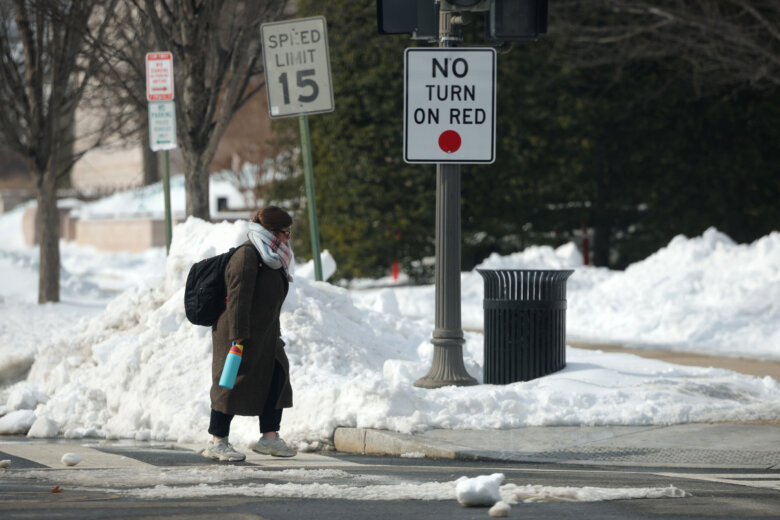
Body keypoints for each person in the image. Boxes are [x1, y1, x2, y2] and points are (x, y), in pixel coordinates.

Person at [203, 206, 296, 461]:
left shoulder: (273, 256)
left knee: (276, 378)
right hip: (238, 332)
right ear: (270, 230)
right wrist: (239, 336)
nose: (288, 238)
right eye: (284, 233)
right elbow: (238, 300)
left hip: (265, 334)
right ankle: (217, 441)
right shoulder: (248, 255)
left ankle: (269, 438)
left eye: (289, 233)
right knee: (230, 383)